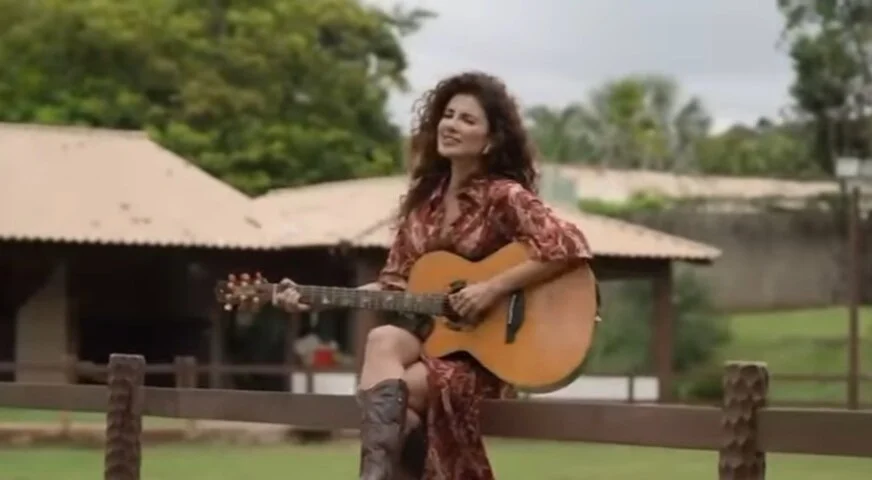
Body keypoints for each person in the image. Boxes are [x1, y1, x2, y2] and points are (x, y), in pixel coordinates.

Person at [273, 71, 593, 480]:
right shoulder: (424, 206)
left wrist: (492, 288)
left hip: (486, 356)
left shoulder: (503, 196)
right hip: (436, 342)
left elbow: (570, 246)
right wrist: (316, 296)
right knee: (383, 339)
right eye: (448, 115)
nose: (452, 125)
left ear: (490, 140)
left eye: (468, 120)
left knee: (392, 402)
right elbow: (394, 286)